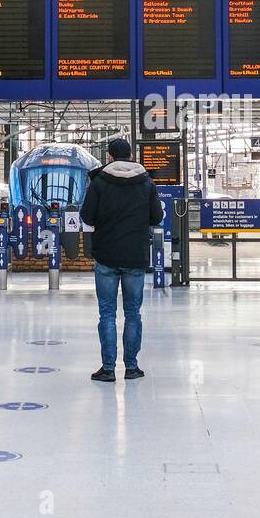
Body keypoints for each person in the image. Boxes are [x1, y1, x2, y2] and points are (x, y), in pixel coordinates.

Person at [80, 138, 164, 383]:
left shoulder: (99, 183)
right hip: (135, 257)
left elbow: (86, 216)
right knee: (133, 313)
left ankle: (108, 369)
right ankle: (131, 367)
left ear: (109, 156)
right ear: (130, 155)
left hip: (106, 255)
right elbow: (156, 216)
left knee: (107, 314)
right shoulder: (147, 183)